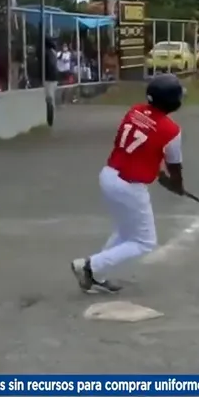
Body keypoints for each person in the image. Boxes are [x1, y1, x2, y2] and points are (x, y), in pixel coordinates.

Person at [70, 74, 186, 293]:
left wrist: (159, 174)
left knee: (125, 232)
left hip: (109, 176)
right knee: (145, 242)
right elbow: (175, 166)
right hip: (129, 186)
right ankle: (90, 266)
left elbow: (140, 149)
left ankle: (96, 276)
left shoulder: (136, 110)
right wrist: (176, 185)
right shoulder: (171, 130)